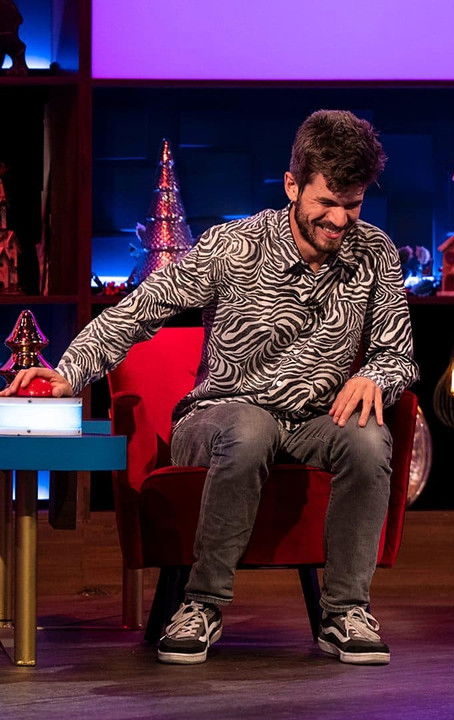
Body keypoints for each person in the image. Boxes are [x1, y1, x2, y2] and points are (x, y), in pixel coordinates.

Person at [2, 110, 418, 664]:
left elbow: (397, 352)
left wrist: (375, 374)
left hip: (314, 423)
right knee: (250, 428)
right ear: (292, 185)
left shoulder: (375, 253)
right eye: (326, 203)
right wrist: (71, 370)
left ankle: (345, 612)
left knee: (368, 439)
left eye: (353, 205)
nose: (340, 220)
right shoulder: (234, 246)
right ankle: (201, 605)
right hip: (218, 417)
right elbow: (142, 308)